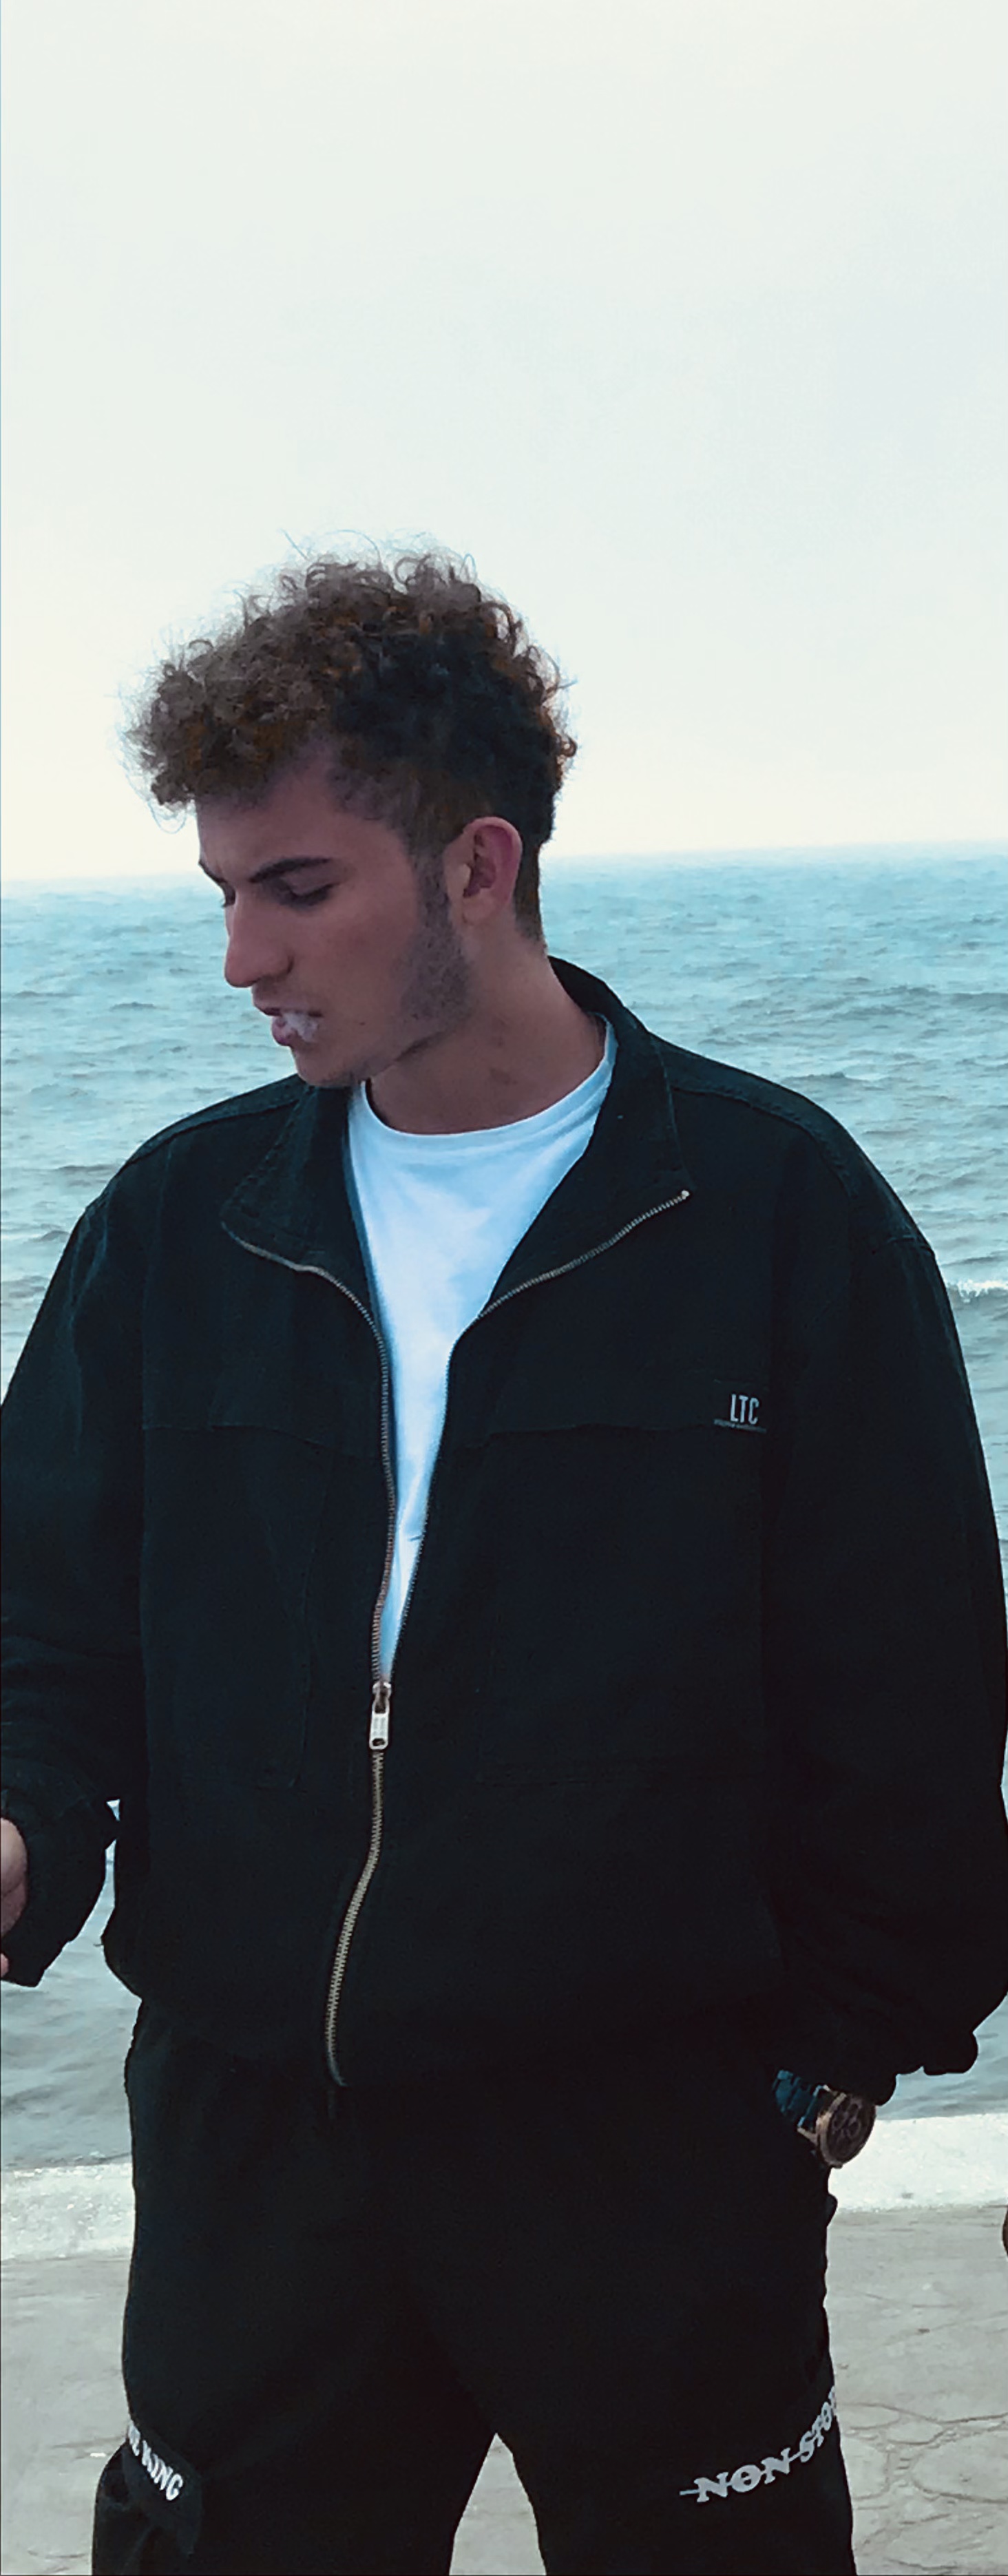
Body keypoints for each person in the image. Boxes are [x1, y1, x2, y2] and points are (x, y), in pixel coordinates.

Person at [2, 550, 1007, 2576]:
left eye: (298, 890)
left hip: (648, 2151)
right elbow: (44, 1622)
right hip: (259, 2147)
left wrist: (825, 2081)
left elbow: (907, 1693)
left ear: (478, 865)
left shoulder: (774, 1214)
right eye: (222, 894)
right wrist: (23, 1824)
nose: (242, 958)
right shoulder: (184, 1228)